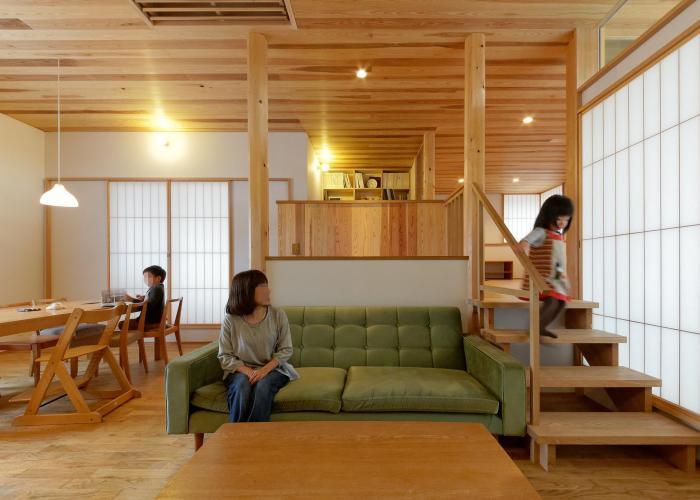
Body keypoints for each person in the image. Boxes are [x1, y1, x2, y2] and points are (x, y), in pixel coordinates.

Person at [218, 270, 299, 423]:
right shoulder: (231, 320)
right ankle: (236, 433)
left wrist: (264, 370)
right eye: (262, 286)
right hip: (240, 371)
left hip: (273, 370)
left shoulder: (278, 315)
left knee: (263, 386)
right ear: (246, 291)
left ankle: (255, 435)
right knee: (242, 386)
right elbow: (225, 356)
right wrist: (249, 372)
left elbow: (286, 350)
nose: (269, 290)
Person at [518, 195, 574, 339]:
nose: (562, 223)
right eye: (559, 219)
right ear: (549, 216)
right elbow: (526, 241)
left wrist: (564, 278)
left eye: (566, 219)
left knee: (562, 302)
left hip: (556, 276)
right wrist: (523, 246)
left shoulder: (559, 236)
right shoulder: (541, 232)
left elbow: (559, 260)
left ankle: (542, 326)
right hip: (543, 275)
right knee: (553, 300)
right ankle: (537, 327)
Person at [124, 265, 166, 330]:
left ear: (158, 278)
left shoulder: (156, 288)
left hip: (149, 322)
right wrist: (144, 297)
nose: (146, 279)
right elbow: (153, 301)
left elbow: (148, 306)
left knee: (122, 324)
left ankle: (138, 334)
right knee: (126, 323)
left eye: (149, 276)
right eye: (145, 277)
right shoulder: (158, 287)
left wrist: (130, 299)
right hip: (155, 321)